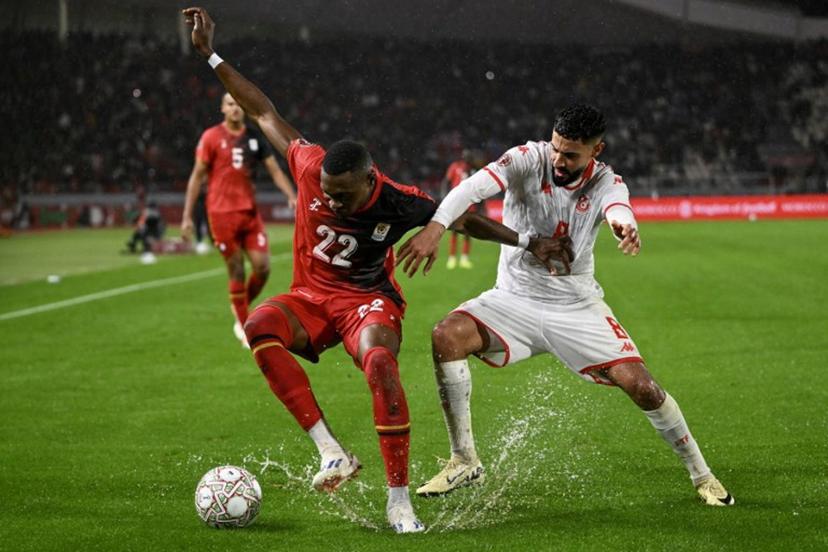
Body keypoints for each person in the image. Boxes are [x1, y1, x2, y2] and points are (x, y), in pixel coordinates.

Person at [397, 104, 735, 507]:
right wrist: (436, 228)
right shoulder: (527, 158)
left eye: (571, 154)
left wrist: (624, 226)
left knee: (643, 387)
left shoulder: (608, 181)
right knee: (446, 336)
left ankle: (703, 476)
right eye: (557, 148)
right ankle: (464, 460)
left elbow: (618, 207)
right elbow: (471, 190)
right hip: (513, 299)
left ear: (597, 150)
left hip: (575, 306)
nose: (559, 160)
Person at [183, 7, 435, 532]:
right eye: (327, 191)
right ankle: (331, 452)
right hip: (310, 296)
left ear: (368, 182)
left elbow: (465, 213)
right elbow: (263, 110)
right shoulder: (309, 164)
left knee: (381, 364)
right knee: (258, 326)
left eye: (343, 195)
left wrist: (524, 239)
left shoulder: (398, 200)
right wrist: (210, 54)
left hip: (367, 300)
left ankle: (398, 498)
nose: (332, 200)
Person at [181, 91, 298, 347]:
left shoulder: (254, 138)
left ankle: (239, 307)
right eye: (230, 104)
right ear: (222, 109)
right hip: (221, 215)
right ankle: (245, 325)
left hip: (249, 214)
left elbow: (275, 171)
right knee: (235, 269)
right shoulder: (211, 137)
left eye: (238, 104)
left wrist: (292, 196)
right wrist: (187, 216)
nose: (235, 108)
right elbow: (197, 176)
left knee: (263, 267)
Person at [441, 149, 482, 270]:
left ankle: (464, 258)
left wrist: (479, 204)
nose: (467, 160)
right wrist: (445, 197)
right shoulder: (455, 167)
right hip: (456, 203)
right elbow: (446, 182)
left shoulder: (474, 170)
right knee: (455, 230)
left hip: (470, 205)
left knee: (468, 232)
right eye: (466, 157)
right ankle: (452, 258)